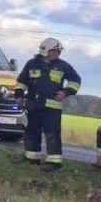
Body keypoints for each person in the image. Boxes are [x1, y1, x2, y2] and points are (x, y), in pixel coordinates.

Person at [13, 37, 81, 172]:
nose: (57, 54)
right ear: (45, 51)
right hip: (33, 106)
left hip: (52, 109)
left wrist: (65, 92)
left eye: (58, 51)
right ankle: (32, 158)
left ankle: (54, 162)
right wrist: (19, 96)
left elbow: (76, 80)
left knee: (52, 134)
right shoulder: (31, 64)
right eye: (54, 51)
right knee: (31, 132)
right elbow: (21, 82)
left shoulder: (63, 66)